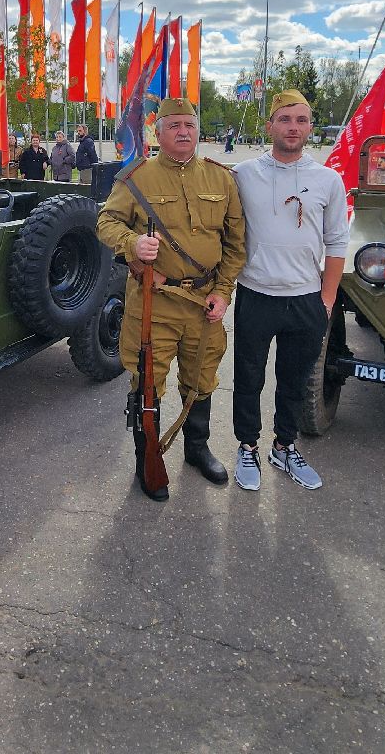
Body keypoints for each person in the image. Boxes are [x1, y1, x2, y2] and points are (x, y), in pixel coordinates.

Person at [97, 98, 246, 501]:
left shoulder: (221, 179)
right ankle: (146, 459)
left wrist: (223, 291)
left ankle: (197, 450)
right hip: (154, 302)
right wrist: (132, 243)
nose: (183, 132)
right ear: (158, 133)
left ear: (198, 131)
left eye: (189, 125)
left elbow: (236, 244)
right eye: (174, 125)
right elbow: (106, 221)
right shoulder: (136, 178)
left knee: (202, 378)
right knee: (147, 381)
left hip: (203, 303)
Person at [230, 91, 349, 492]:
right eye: (284, 119)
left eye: (301, 120)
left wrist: (326, 301)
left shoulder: (328, 180)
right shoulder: (243, 174)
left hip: (305, 298)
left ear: (310, 127)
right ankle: (247, 445)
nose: (293, 127)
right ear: (270, 126)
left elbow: (337, 242)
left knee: (295, 380)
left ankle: (284, 445)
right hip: (256, 294)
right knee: (248, 377)